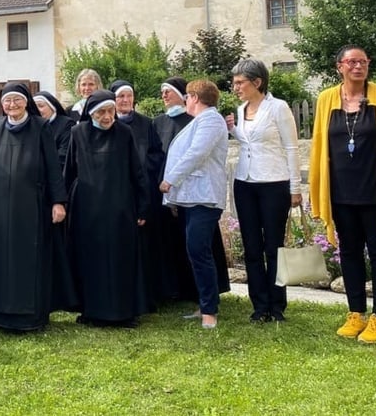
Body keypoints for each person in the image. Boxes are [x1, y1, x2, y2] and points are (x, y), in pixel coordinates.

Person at [310, 45, 376, 343]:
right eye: (352, 62)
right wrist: (317, 188)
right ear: (339, 67)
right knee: (349, 252)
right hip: (340, 191)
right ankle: (356, 312)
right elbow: (320, 144)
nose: (358, 66)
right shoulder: (325, 99)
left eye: (363, 61)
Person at [0, 82, 68, 331]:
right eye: (7, 101)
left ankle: (31, 317)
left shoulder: (40, 127)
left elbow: (53, 166)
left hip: (32, 206)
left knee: (30, 258)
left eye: (17, 100)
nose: (12, 105)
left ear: (26, 102)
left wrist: (58, 201)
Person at [65, 90, 149, 327]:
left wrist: (143, 207)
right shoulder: (77, 132)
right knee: (90, 260)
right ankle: (91, 311)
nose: (107, 116)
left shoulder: (124, 132)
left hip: (119, 207)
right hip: (87, 209)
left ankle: (124, 313)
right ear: (90, 113)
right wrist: (62, 203)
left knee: (120, 259)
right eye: (101, 112)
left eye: (110, 111)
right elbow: (69, 170)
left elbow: (137, 171)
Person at [225, 60, 301, 323]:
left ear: (257, 82)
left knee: (273, 246)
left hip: (274, 183)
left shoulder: (278, 107)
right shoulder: (241, 108)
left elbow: (291, 148)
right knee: (251, 246)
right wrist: (233, 130)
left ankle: (277, 305)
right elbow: (248, 142)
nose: (235, 88)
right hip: (245, 183)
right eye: (234, 83)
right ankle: (259, 305)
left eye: (239, 83)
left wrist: (295, 187)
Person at [152, 77, 230, 305]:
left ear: (194, 97)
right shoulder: (200, 120)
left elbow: (196, 153)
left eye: (187, 96)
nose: (186, 100)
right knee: (195, 251)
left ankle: (209, 308)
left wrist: (169, 181)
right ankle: (205, 302)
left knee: (198, 250)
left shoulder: (211, 121)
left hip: (204, 198)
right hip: (193, 197)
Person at [109, 79, 163, 311]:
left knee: (144, 244)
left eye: (129, 96)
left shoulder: (146, 123)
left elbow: (156, 154)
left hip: (141, 190)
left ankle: (146, 294)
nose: (125, 100)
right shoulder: (106, 124)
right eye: (121, 96)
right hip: (117, 192)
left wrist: (140, 167)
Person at [34, 91, 76, 168]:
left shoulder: (66, 124)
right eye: (34, 107)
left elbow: (64, 154)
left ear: (52, 107)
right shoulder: (32, 126)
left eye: (41, 106)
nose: (37, 110)